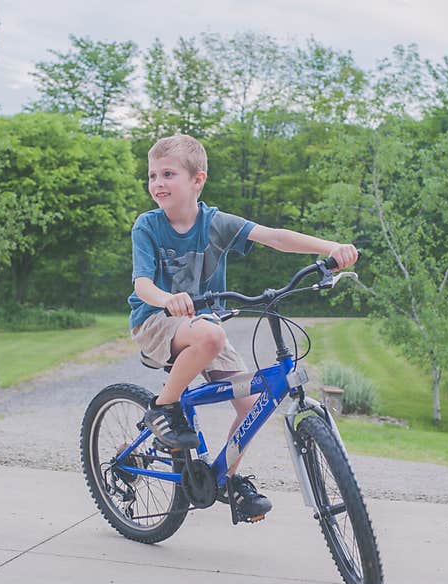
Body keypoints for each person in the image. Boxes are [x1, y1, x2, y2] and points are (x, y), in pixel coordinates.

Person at [128, 134, 358, 521]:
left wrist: (330, 247)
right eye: (152, 175)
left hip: (205, 325)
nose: (157, 183)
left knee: (252, 407)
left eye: (168, 173)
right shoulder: (148, 226)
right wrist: (168, 299)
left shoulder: (216, 223)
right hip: (157, 321)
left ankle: (224, 480)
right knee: (211, 334)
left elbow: (275, 237)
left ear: (197, 180)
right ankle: (163, 407)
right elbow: (142, 284)